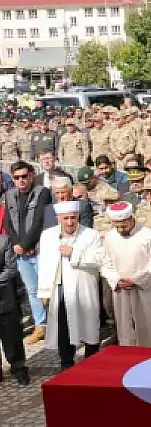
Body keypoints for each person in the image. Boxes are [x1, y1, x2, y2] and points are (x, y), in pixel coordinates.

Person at [37, 200, 103, 371]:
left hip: (84, 287)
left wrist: (74, 253)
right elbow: (44, 263)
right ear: (58, 218)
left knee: (89, 325)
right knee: (63, 326)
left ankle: (92, 363)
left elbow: (99, 259)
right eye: (65, 218)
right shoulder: (48, 235)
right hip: (59, 288)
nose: (69, 222)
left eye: (73, 218)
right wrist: (44, 291)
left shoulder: (91, 235)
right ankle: (66, 363)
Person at [101, 201, 151, 348]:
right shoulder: (110, 237)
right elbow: (106, 262)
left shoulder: (147, 235)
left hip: (144, 288)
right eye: (117, 227)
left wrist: (136, 280)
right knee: (125, 327)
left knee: (149, 326)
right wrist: (117, 280)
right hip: (121, 289)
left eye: (123, 226)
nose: (120, 230)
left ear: (131, 219)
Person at [3, 160, 51, 344]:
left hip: (38, 250)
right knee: (32, 291)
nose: (21, 180)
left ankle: (57, 325)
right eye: (16, 178)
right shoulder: (10, 195)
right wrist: (17, 245)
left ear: (31, 176)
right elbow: (8, 222)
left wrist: (26, 244)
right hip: (21, 252)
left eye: (24, 176)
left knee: (47, 289)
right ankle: (41, 326)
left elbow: (39, 221)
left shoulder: (42, 192)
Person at [0, 228, 29, 384]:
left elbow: (11, 269)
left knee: (12, 336)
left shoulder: (4, 241)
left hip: (5, 297)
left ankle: (18, 367)